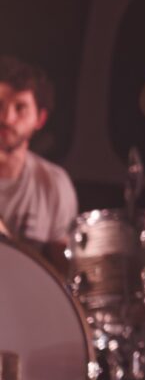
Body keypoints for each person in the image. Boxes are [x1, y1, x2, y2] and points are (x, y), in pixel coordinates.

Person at [0, 55, 78, 269]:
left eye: (20, 108)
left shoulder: (53, 183)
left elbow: (61, 274)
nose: (7, 118)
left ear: (40, 119)